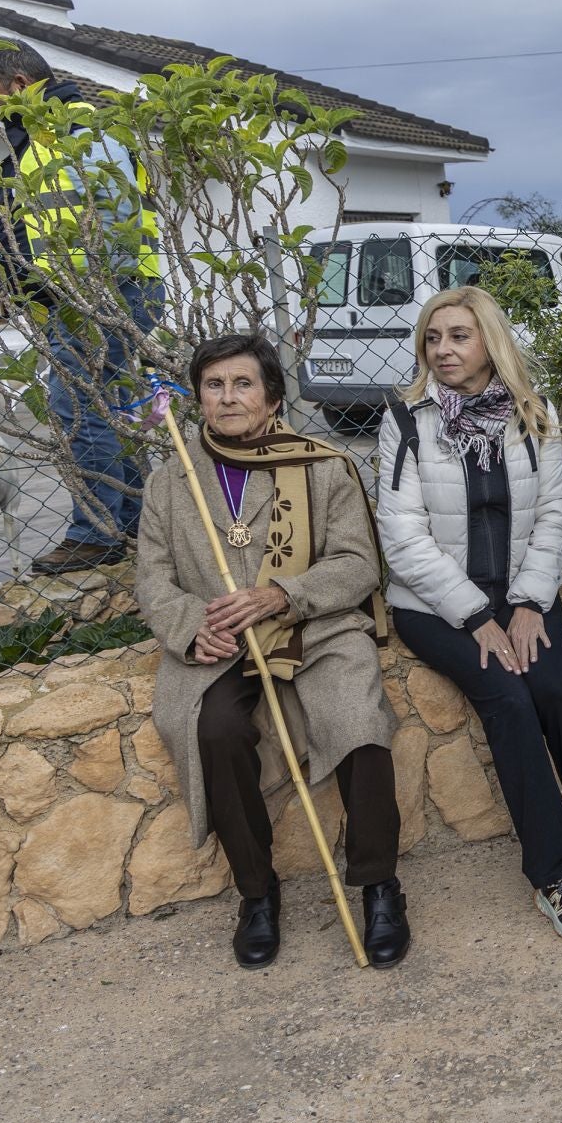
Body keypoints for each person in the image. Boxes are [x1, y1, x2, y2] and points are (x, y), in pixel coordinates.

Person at [135, 334, 411, 970]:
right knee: (216, 729)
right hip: (220, 638)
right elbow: (152, 576)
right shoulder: (172, 477)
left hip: (315, 628)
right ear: (197, 395)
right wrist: (187, 626)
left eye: (243, 384)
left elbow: (356, 564)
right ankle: (257, 894)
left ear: (273, 397)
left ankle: (379, 886)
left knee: (357, 723)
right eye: (213, 385)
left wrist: (282, 595)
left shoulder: (323, 466)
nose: (227, 398)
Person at [376, 286, 562, 943]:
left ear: (489, 341)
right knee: (510, 702)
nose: (443, 350)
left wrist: (526, 603)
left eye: (459, 336)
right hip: (434, 605)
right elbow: (402, 538)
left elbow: (554, 517)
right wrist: (475, 616)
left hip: (519, 595)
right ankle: (556, 871)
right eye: (433, 338)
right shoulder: (405, 422)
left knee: (556, 694)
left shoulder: (533, 413)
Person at [0, 40, 162, 574]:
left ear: (18, 86)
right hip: (91, 294)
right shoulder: (41, 137)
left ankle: (96, 533)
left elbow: (114, 215)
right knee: (114, 411)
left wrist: (88, 292)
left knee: (80, 412)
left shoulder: (77, 128)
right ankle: (132, 524)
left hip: (102, 293)